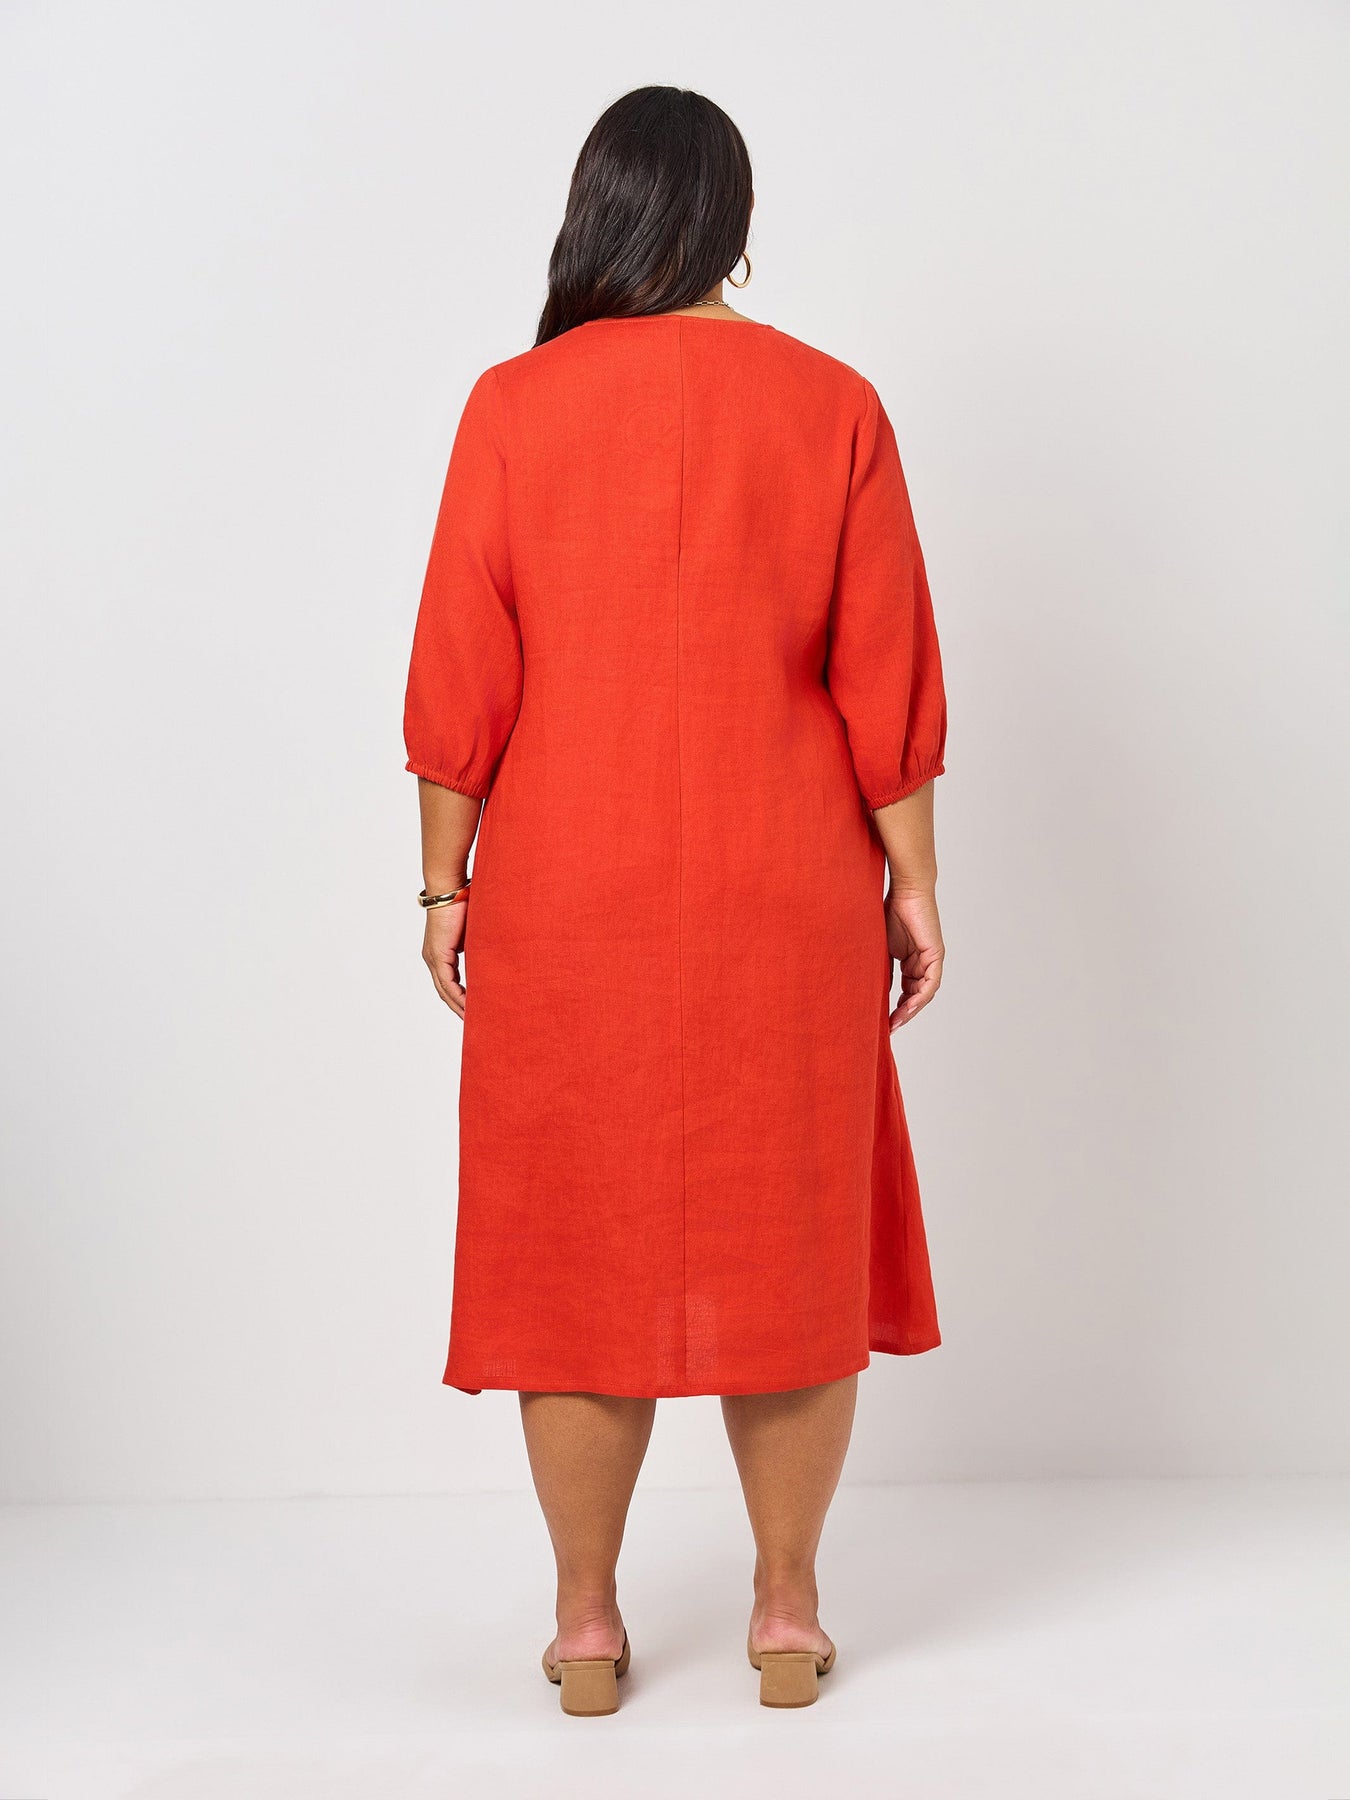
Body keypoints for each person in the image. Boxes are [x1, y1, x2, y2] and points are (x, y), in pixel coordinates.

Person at [402, 84, 948, 1716]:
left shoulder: (514, 407)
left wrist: (441, 882)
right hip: (789, 885)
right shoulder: (832, 406)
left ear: (601, 213)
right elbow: (882, 676)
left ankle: (584, 1622)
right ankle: (786, 1609)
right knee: (791, 1235)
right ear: (731, 224)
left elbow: (461, 667)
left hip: (574, 890)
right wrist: (914, 880)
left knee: (571, 1247)